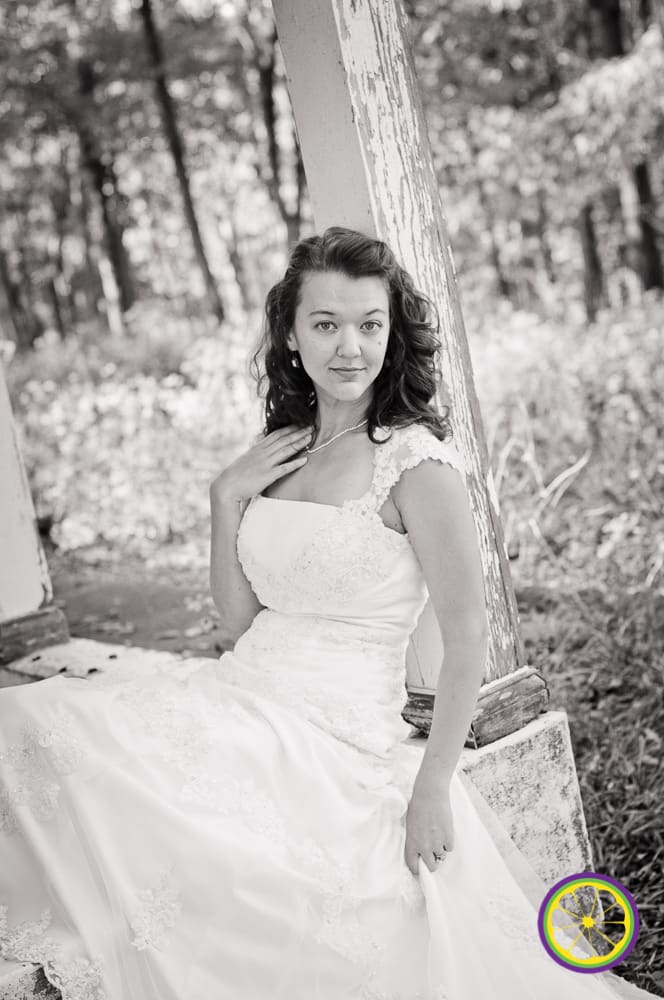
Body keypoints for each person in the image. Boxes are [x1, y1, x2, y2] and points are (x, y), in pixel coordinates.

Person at [0, 227, 656, 1000]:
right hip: (241, 693)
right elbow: (240, 621)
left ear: (392, 332)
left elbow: (468, 632)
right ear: (291, 333)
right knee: (30, 723)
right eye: (326, 324)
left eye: (369, 324)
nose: (350, 347)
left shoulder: (417, 466)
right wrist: (226, 498)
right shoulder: (284, 446)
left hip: (330, 728)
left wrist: (432, 786)